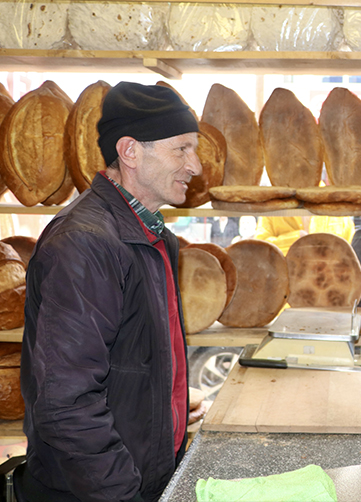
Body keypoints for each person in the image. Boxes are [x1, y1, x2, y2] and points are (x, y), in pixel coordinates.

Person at [19, 82, 201, 501]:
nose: (195, 166)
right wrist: (123, 494)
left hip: (140, 478)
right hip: (97, 492)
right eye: (182, 149)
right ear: (131, 151)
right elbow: (65, 404)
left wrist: (167, 402)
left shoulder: (153, 236)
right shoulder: (85, 243)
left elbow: (127, 358)